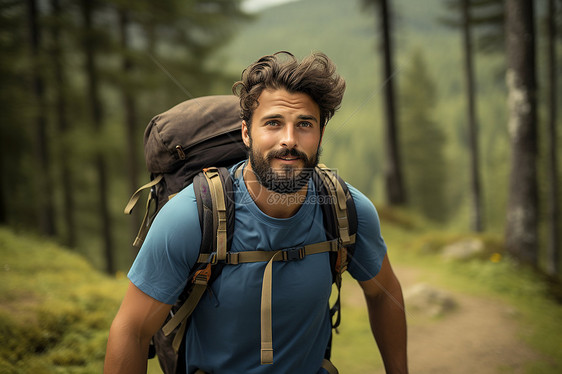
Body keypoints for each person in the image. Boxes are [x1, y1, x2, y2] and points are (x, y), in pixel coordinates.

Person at [104, 51, 408, 374]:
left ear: (320, 134)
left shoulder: (345, 210)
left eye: (304, 124)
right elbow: (131, 330)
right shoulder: (190, 217)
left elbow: (384, 293)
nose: (289, 140)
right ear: (247, 133)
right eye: (273, 123)